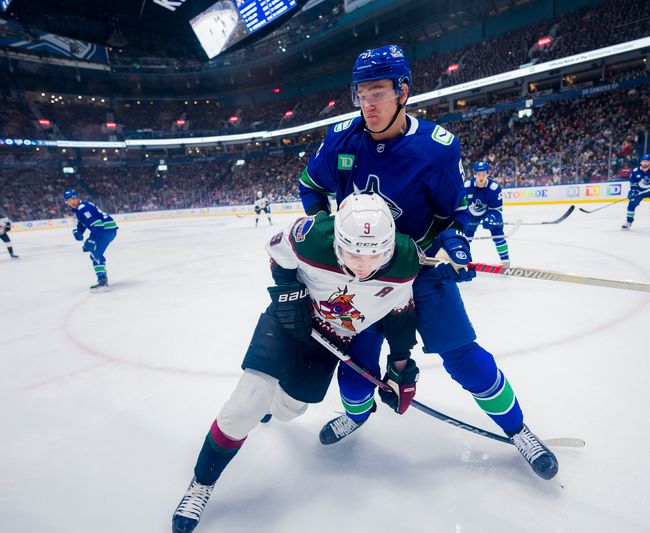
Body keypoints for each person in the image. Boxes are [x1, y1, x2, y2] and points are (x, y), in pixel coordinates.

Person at [299, 44, 558, 481]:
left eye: (377, 93)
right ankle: (356, 416)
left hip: (421, 269)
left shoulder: (437, 148)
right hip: (362, 275)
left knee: (463, 355)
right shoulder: (341, 138)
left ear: (403, 91)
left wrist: (456, 240)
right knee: (357, 368)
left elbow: (455, 210)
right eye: (360, 94)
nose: (367, 105)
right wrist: (325, 229)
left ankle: (518, 430)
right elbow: (310, 184)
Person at [172, 193, 422, 533]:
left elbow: (399, 314)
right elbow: (277, 253)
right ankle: (201, 484)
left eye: (375, 254)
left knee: (290, 409)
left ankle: (270, 404)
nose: (364, 266)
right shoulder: (313, 236)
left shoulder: (405, 259)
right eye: (353, 254)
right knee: (245, 404)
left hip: (331, 341)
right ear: (337, 241)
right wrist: (290, 294)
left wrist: (401, 366)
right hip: (289, 321)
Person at [64, 189, 118, 290]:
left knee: (95, 253)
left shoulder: (83, 208)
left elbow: (98, 225)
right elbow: (84, 222)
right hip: (106, 230)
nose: (72, 201)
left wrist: (91, 240)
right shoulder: (79, 208)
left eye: (74, 198)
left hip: (107, 230)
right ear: (66, 202)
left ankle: (102, 280)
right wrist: (79, 231)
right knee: (95, 253)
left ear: (78, 198)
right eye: (69, 200)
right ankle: (102, 275)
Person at [463, 160, 510, 266]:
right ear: (474, 174)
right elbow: (462, 206)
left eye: (484, 174)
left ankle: (505, 260)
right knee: (465, 237)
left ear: (488, 174)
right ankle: (461, 259)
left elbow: (497, 210)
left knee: (498, 235)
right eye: (479, 174)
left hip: (488, 212)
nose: (481, 177)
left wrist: (491, 217)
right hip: (471, 214)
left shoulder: (494, 188)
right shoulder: (467, 187)